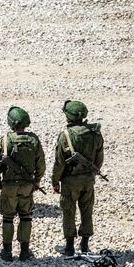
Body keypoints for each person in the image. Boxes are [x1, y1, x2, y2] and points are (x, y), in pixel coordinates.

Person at [0, 107, 46, 261]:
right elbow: (41, 164)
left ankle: (7, 252)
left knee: (8, 217)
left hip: (9, 185)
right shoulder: (33, 140)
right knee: (25, 215)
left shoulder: (5, 140)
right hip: (27, 185)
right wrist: (37, 180)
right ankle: (24, 251)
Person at [52, 100, 104, 256]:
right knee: (87, 210)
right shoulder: (95, 133)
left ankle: (69, 247)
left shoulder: (66, 136)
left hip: (70, 181)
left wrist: (55, 181)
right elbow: (99, 158)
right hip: (88, 179)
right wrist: (92, 173)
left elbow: (59, 163)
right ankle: (85, 245)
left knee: (69, 211)